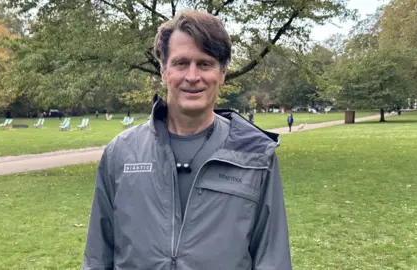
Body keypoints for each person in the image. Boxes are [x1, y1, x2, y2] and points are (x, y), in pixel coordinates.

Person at [82, 10, 292, 270]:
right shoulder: (121, 153)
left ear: (222, 72)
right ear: (164, 71)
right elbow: (97, 257)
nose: (192, 77)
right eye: (181, 63)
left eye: (205, 64)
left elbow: (273, 259)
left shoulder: (256, 156)